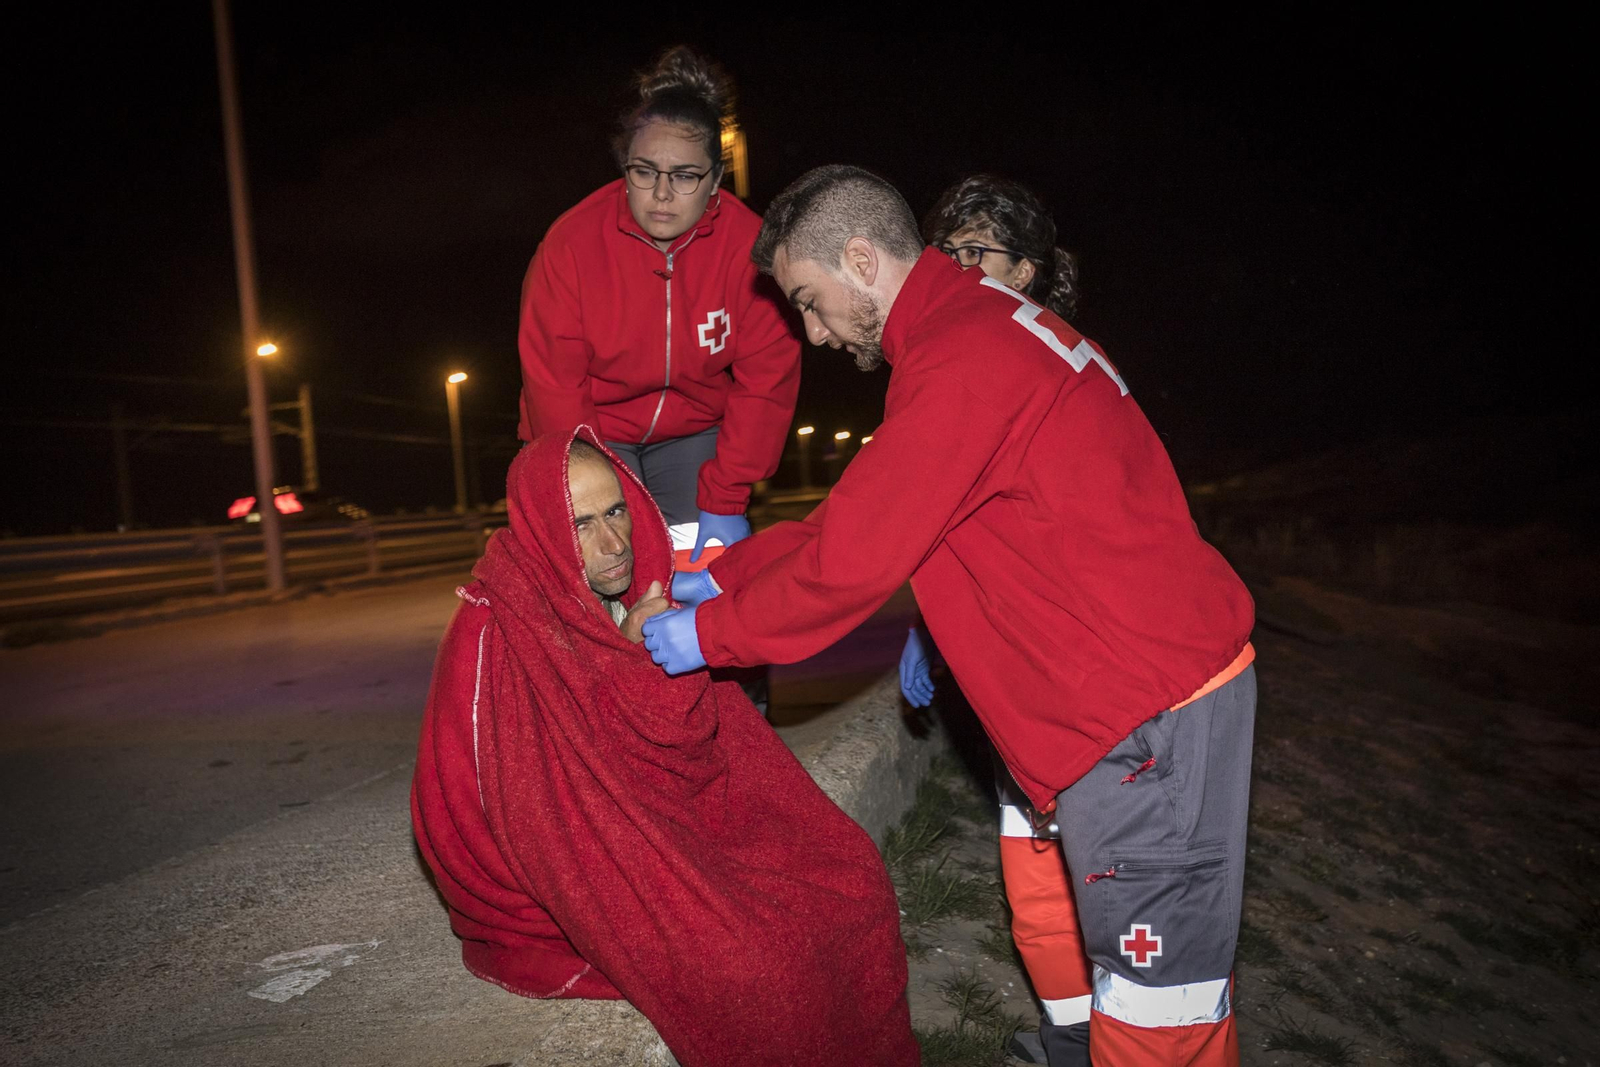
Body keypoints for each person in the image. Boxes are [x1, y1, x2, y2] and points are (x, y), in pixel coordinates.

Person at [647, 166, 1257, 1067]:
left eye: (810, 301)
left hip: (1143, 712)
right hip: (1121, 694)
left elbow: (849, 565)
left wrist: (707, 636)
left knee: (1160, 1005)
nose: (813, 332)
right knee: (1107, 970)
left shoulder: (962, 356)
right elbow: (862, 514)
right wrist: (726, 574)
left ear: (862, 261)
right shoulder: (973, 327)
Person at [411, 426, 917, 1067]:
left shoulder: (643, 590)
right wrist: (631, 661)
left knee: (849, 873)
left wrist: (646, 651)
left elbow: (705, 748)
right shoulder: (497, 625)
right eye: (581, 524)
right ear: (541, 528)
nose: (614, 544)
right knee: (751, 965)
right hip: (573, 842)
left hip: (663, 815)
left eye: (616, 511)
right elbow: (534, 810)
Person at [906, 173, 1094, 1067]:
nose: (954, 266)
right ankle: (1073, 1033)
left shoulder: (1040, 362)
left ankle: (1120, 1033)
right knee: (1031, 864)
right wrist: (930, 624)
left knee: (1102, 871)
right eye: (945, 250)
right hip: (1011, 663)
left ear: (1024, 270)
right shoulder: (959, 356)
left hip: (1078, 662)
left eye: (975, 251)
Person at [515, 46, 800, 572]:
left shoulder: (750, 247)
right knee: (610, 577)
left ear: (716, 178)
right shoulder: (570, 244)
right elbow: (554, 384)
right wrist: (592, 488)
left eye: (686, 176)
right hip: (592, 432)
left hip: (694, 435)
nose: (662, 194)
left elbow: (768, 377)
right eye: (645, 171)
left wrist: (728, 493)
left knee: (701, 574)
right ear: (625, 168)